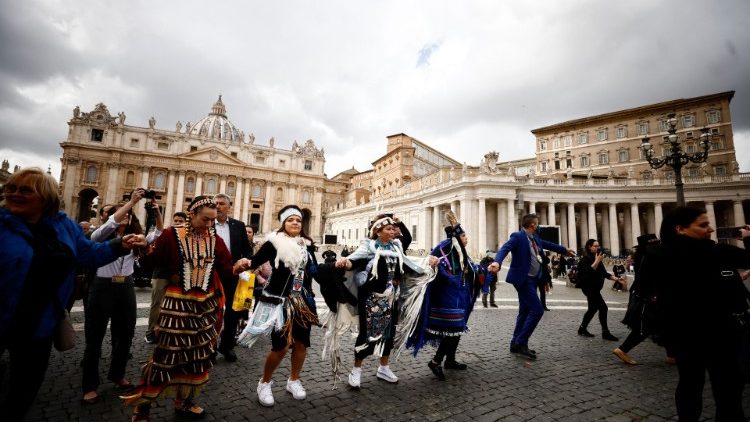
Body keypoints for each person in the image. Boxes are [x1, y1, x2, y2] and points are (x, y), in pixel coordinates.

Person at [0, 168, 146, 422]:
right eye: (11, 188)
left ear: (46, 197)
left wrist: (119, 245)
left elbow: (88, 254)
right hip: (4, 312)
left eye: (25, 190)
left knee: (23, 391)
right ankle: (89, 384)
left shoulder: (64, 226)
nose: (14, 194)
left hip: (40, 319)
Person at [122, 196, 250, 421]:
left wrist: (237, 267)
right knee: (166, 355)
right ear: (191, 214)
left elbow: (226, 268)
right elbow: (150, 263)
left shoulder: (215, 240)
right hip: (177, 303)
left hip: (205, 306)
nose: (210, 225)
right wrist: (144, 248)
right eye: (205, 220)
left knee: (198, 355)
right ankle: (142, 407)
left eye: (213, 221)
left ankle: (184, 402)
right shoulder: (172, 235)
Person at [641, 207, 750, 421]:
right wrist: (748, 238)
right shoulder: (716, 252)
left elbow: (645, 289)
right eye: (703, 225)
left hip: (682, 332)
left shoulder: (656, 255)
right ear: (680, 229)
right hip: (722, 331)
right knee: (727, 390)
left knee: (690, 385)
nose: (710, 229)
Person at [336, 214, 429, 389]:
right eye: (389, 229)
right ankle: (356, 370)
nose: (393, 231)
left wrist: (427, 264)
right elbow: (354, 261)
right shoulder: (368, 247)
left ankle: (384, 367)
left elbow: (409, 262)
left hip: (391, 298)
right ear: (378, 232)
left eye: (393, 228)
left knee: (389, 333)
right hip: (370, 300)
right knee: (366, 334)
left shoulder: (396, 247)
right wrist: (345, 262)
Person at [243, 205, 322, 406]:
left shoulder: (307, 244)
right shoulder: (273, 243)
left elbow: (313, 271)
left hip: (303, 301)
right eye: (290, 220)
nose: (295, 223)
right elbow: (254, 262)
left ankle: (294, 380)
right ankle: (265, 382)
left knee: (302, 344)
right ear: (283, 223)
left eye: (298, 220)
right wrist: (242, 264)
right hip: (280, 302)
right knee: (281, 347)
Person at [81, 189, 152, 404]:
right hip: (103, 286)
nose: (125, 218)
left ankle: (117, 373)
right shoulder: (100, 236)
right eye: (121, 215)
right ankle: (89, 385)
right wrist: (131, 203)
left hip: (126, 286)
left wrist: (145, 244)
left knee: (126, 334)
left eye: (128, 215)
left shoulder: (135, 237)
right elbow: (111, 222)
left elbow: (152, 241)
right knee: (95, 336)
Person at [489, 214, 574, 360]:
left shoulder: (535, 238)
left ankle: (515, 343)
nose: (539, 226)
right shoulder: (518, 236)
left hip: (534, 279)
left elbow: (548, 244)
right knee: (537, 310)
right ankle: (522, 342)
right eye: (538, 223)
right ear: (533, 225)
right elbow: (505, 248)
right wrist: (497, 262)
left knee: (524, 310)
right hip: (523, 279)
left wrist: (564, 250)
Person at [408, 216, 480, 381]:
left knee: (457, 329)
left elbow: (471, 269)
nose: (466, 238)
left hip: (458, 296)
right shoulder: (444, 248)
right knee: (452, 329)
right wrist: (450, 278)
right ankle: (435, 361)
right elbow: (435, 265)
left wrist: (484, 269)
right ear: (455, 237)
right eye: (463, 236)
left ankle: (450, 359)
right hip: (446, 296)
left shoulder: (461, 251)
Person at [213, 193, 253, 362]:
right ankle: (210, 347)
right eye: (215, 203)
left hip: (235, 275)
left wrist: (246, 262)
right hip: (212, 275)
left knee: (233, 312)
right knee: (212, 312)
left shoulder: (239, 225)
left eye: (222, 203)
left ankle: (227, 345)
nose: (218, 206)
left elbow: (247, 250)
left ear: (229, 206)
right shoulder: (207, 225)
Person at [144, 211, 186, 344]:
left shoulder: (186, 236)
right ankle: (151, 331)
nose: (178, 223)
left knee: (177, 305)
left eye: (180, 221)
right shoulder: (166, 233)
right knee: (157, 304)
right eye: (176, 220)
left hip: (178, 275)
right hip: (161, 273)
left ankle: (169, 331)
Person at [575, 239, 622, 341]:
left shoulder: (597, 258)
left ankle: (582, 329)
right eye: (595, 246)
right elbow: (588, 273)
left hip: (595, 288)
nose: (597, 248)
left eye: (598, 246)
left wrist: (617, 279)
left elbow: (604, 273)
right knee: (603, 308)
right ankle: (605, 332)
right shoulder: (585, 259)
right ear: (589, 247)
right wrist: (597, 261)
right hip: (589, 288)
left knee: (592, 309)